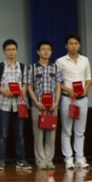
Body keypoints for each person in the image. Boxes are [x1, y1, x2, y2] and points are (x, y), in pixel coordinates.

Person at [0, 39, 32, 171]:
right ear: (4, 51)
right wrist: (4, 91)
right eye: (8, 50)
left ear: (16, 51)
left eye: (13, 49)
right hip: (4, 104)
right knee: (3, 134)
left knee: (19, 134)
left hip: (19, 105)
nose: (11, 52)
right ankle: (0, 160)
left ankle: (21, 160)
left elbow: (25, 83)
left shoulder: (23, 67)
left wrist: (22, 92)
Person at [56, 33, 91, 170]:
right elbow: (57, 82)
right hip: (67, 99)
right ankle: (68, 159)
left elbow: (88, 78)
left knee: (80, 131)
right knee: (66, 130)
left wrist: (86, 89)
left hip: (82, 99)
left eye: (76, 43)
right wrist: (68, 90)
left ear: (79, 45)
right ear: (66, 45)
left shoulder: (85, 60)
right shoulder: (60, 61)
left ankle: (80, 158)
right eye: (71, 43)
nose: (73, 46)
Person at [26, 41, 61, 170]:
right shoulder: (32, 68)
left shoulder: (55, 68)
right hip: (38, 106)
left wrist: (56, 103)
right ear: (38, 52)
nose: (46, 51)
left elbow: (58, 87)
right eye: (43, 49)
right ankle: (41, 160)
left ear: (51, 52)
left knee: (51, 134)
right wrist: (36, 102)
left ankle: (49, 160)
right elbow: (29, 87)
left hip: (52, 107)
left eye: (48, 49)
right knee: (39, 135)